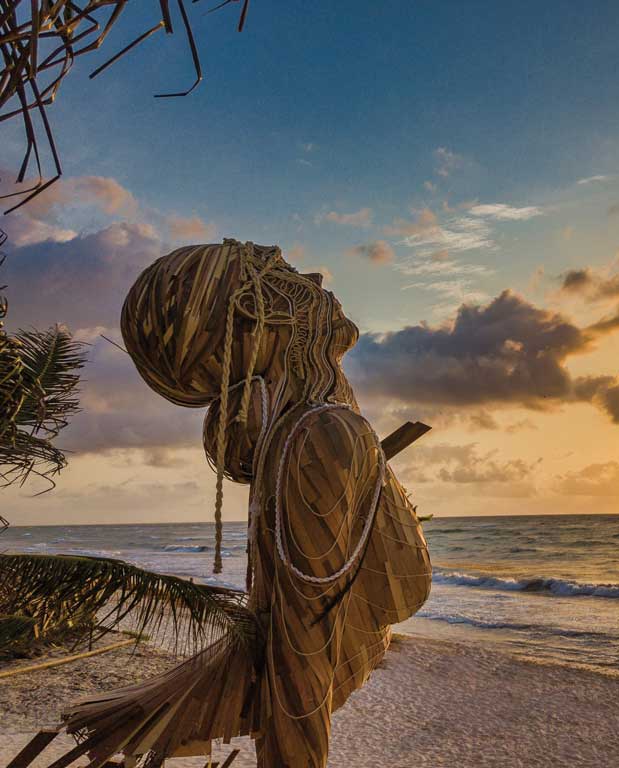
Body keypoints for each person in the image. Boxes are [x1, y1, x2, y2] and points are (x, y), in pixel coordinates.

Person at [61, 239, 432, 766]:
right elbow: (300, 665)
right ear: (255, 318)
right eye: (278, 271)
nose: (316, 281)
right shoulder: (320, 435)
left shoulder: (300, 432)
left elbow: (291, 635)